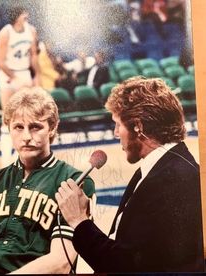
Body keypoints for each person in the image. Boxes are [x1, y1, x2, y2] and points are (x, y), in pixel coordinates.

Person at [56, 76, 205, 273]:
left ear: (138, 127)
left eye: (118, 124)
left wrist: (79, 221)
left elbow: (125, 265)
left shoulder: (173, 180)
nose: (116, 133)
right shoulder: (163, 168)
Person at [0, 87, 95, 274]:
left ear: (52, 128)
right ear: (8, 129)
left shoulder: (73, 181)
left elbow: (62, 262)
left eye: (35, 127)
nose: (27, 137)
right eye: (18, 127)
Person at [0, 6, 40, 168]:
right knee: (7, 117)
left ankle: (20, 158)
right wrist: (14, 78)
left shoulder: (31, 31)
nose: (26, 16)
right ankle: (5, 161)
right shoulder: (5, 33)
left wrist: (36, 78)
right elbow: (0, 61)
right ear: (17, 17)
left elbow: (34, 56)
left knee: (28, 116)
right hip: (8, 74)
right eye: (23, 14)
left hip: (24, 73)